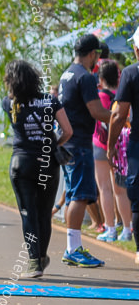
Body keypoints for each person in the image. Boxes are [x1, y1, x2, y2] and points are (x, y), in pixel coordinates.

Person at [1, 60, 72, 277]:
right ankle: (41, 256)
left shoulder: (9, 103)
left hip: (21, 164)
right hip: (47, 164)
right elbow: (68, 131)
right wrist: (53, 144)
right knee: (43, 213)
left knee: (27, 213)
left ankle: (34, 263)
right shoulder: (50, 101)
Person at [57, 34, 109, 267]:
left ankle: (72, 247)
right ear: (92, 54)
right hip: (79, 143)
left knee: (72, 194)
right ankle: (73, 249)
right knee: (79, 195)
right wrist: (121, 117)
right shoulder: (85, 77)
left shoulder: (66, 74)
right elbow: (97, 111)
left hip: (66, 141)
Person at [108, 28, 139, 266]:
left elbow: (119, 115)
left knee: (137, 197)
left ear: (136, 49)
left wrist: (111, 146)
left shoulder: (130, 73)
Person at [93, 60, 131, 242]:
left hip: (102, 146)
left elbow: (102, 123)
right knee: (120, 190)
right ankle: (127, 228)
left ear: (100, 78)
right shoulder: (122, 94)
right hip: (122, 144)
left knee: (104, 188)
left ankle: (110, 228)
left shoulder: (101, 96)